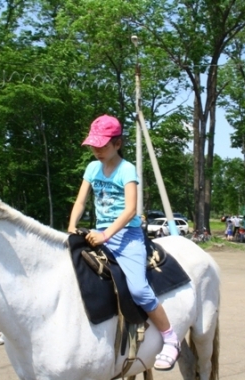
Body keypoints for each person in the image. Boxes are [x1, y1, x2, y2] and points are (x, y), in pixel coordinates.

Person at [68, 114, 180, 371]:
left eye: (102, 145)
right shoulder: (92, 168)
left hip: (126, 235)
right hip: (97, 231)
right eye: (93, 145)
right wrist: (72, 226)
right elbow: (81, 201)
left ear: (117, 144)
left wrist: (106, 235)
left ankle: (170, 338)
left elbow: (131, 210)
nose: (97, 150)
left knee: (139, 289)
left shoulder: (127, 169)